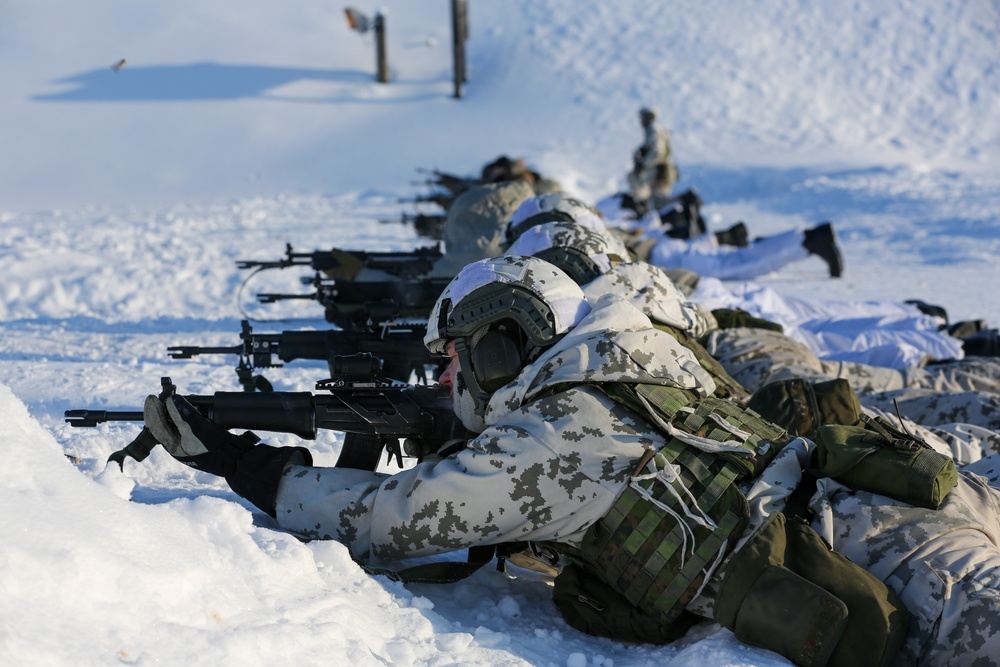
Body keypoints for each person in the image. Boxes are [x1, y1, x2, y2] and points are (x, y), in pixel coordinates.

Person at [141, 254, 1000, 666]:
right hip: (914, 500)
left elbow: (387, 521)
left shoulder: (562, 434)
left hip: (907, 561)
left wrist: (249, 468)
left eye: (462, 360)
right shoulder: (639, 359)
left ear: (510, 345)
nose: (452, 380)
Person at [627, 107, 678, 215]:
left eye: (642, 117)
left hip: (660, 172)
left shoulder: (653, 130)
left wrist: (643, 165)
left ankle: (685, 201)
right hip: (661, 170)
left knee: (660, 203)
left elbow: (657, 152)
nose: (640, 120)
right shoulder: (656, 130)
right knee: (656, 202)